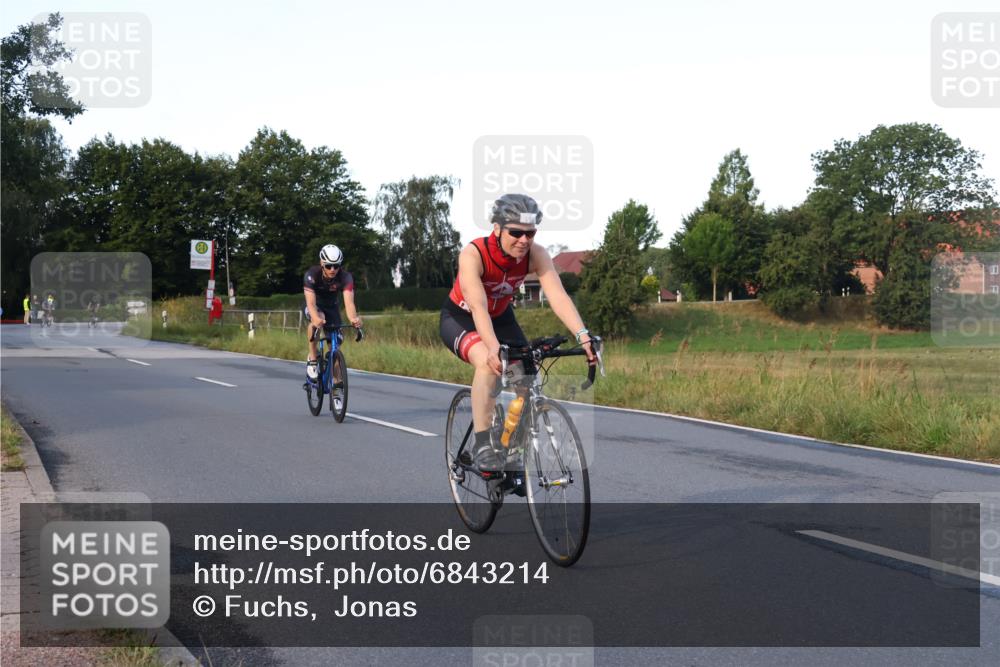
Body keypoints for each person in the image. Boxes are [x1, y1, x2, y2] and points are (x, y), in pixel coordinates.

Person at [439, 194, 596, 472]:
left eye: (530, 233)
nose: (524, 240)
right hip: (462, 318)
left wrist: (583, 335)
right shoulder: (474, 254)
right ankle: (483, 442)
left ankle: (512, 447)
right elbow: (478, 308)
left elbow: (558, 297)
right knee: (489, 365)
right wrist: (492, 348)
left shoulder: (536, 254)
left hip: (501, 317)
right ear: (497, 229)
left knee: (526, 377)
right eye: (516, 233)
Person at [303, 244, 362, 380]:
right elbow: (310, 304)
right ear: (322, 264)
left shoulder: (345, 277)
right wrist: (316, 319)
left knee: (335, 347)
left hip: (332, 307)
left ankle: (337, 388)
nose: (333, 269)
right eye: (329, 266)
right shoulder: (312, 275)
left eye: (336, 266)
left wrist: (353, 319)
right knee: (318, 319)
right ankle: (312, 358)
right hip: (315, 306)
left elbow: (349, 303)